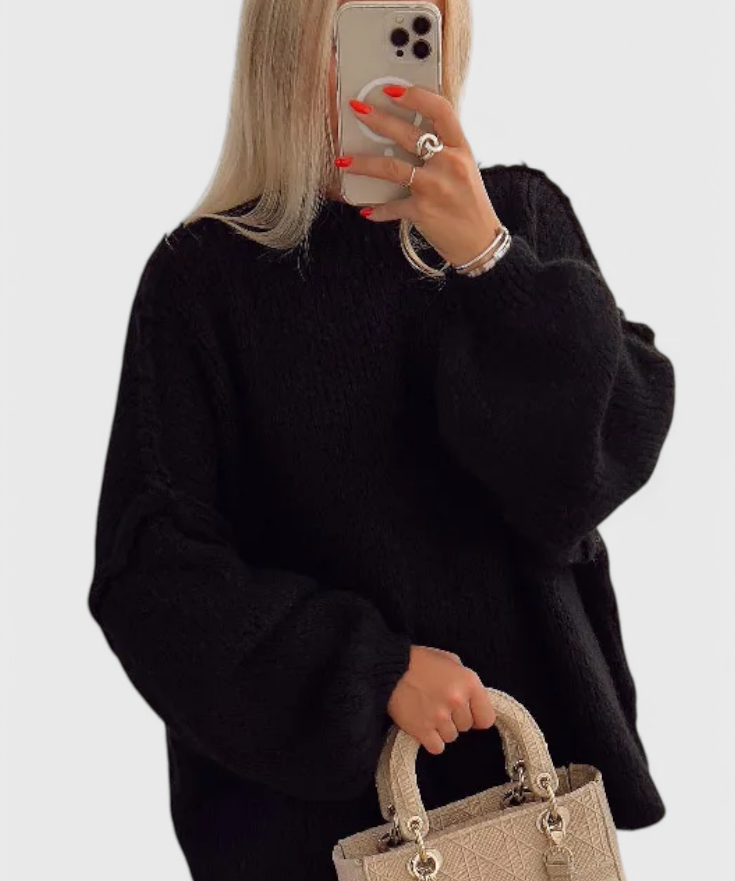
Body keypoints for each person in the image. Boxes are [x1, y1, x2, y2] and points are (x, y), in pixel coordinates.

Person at [87, 1, 676, 879]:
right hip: (309, 835)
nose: (387, 76)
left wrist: (488, 261)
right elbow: (151, 572)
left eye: (415, 30)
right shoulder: (202, 279)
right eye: (354, 34)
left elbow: (592, 467)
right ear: (287, 50)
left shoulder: (516, 218)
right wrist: (367, 671)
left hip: (532, 806)